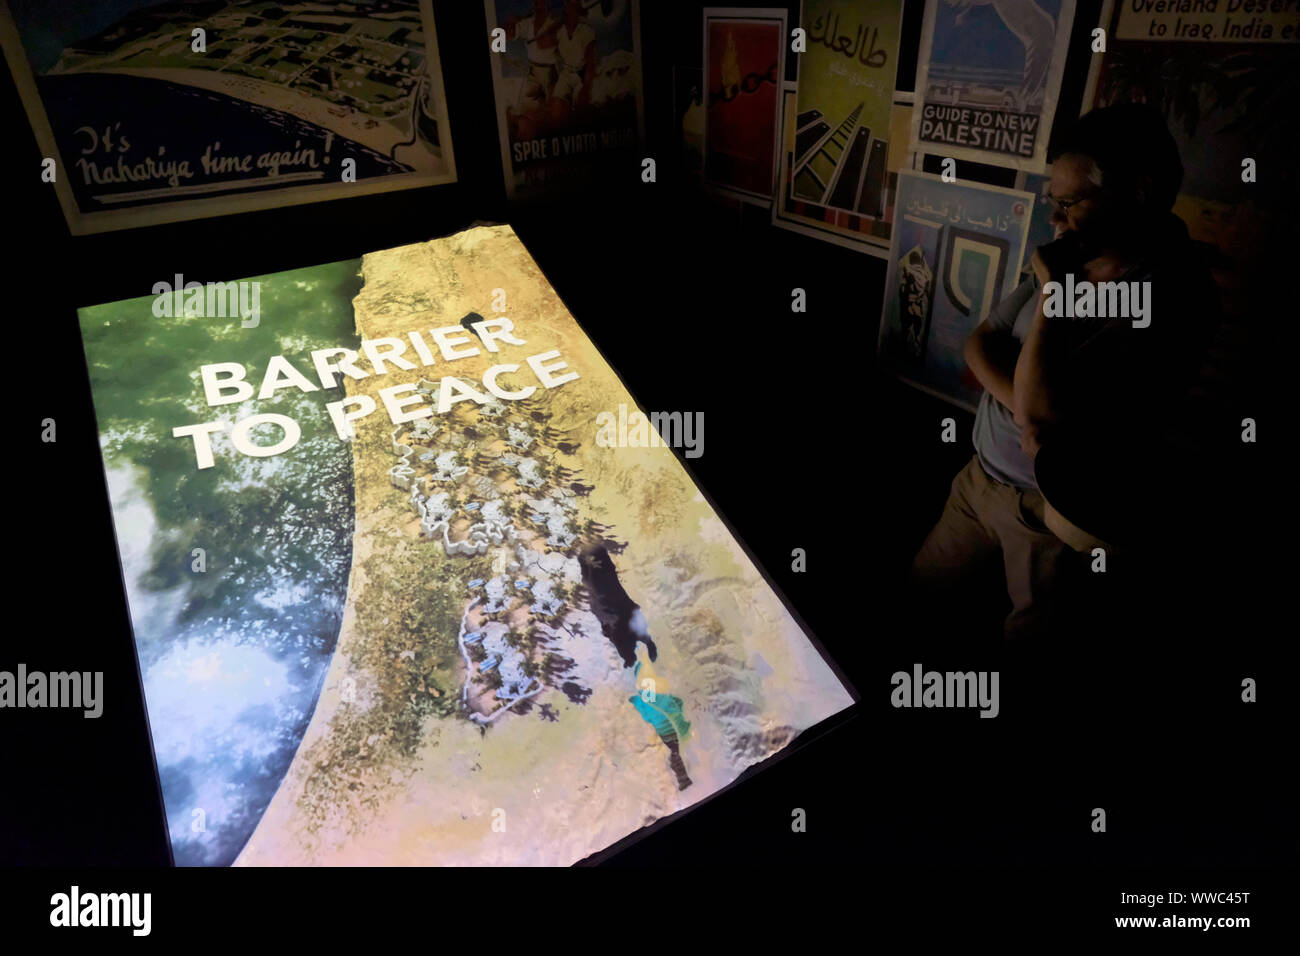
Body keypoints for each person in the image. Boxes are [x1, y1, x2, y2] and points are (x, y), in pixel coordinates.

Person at [909, 104, 1219, 641]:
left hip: (1049, 515)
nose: (1055, 219)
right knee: (917, 600)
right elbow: (980, 343)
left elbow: (1046, 408)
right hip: (980, 478)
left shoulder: (1169, 296)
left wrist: (1054, 294)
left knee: (1033, 657)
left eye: (1070, 203)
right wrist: (1027, 405)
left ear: (1138, 192)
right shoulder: (1078, 252)